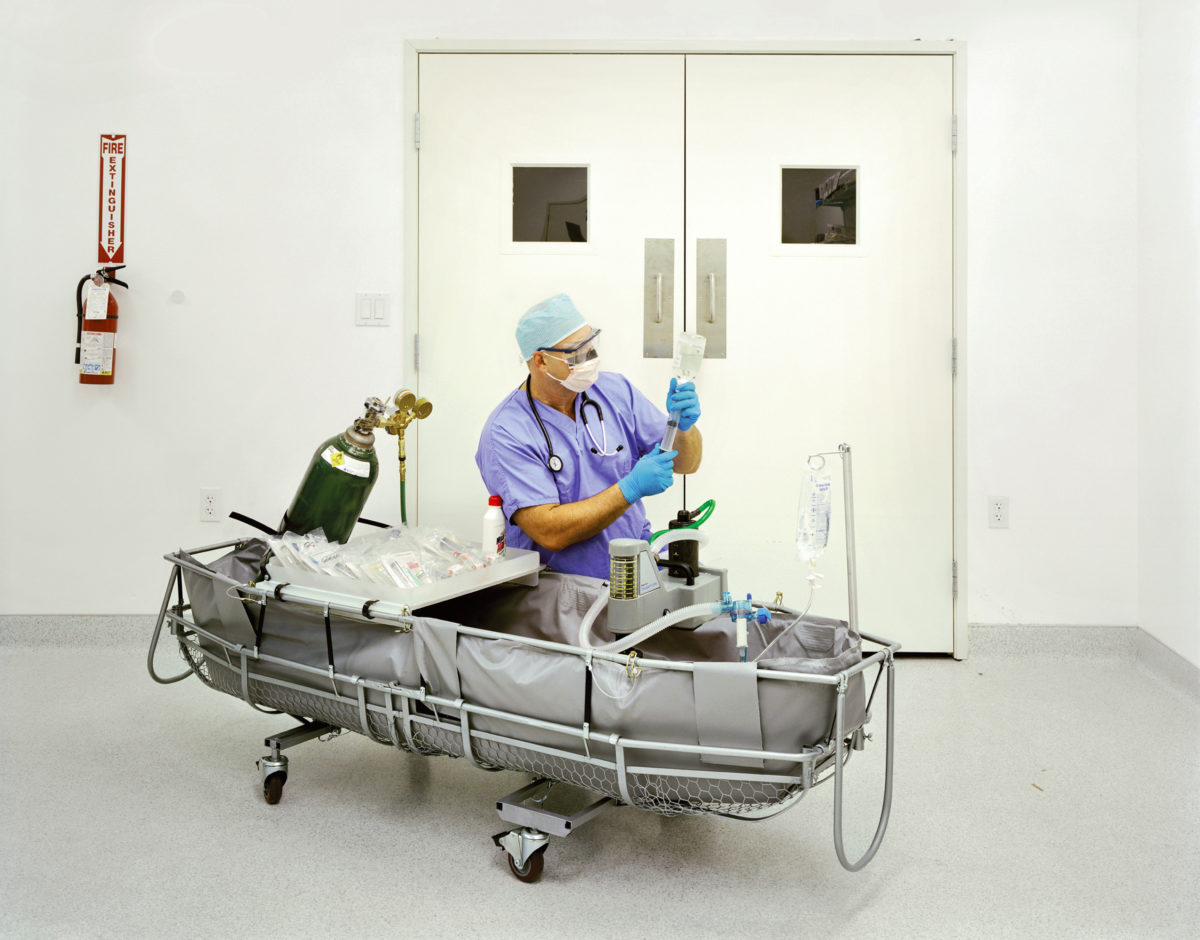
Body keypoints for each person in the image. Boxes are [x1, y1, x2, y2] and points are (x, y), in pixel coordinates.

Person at [475, 293, 702, 579]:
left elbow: (687, 464)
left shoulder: (615, 391)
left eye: (590, 345)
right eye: (577, 352)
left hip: (635, 570)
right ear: (541, 361)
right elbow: (549, 531)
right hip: (560, 588)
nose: (591, 358)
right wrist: (629, 488)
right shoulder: (507, 431)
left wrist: (682, 427)